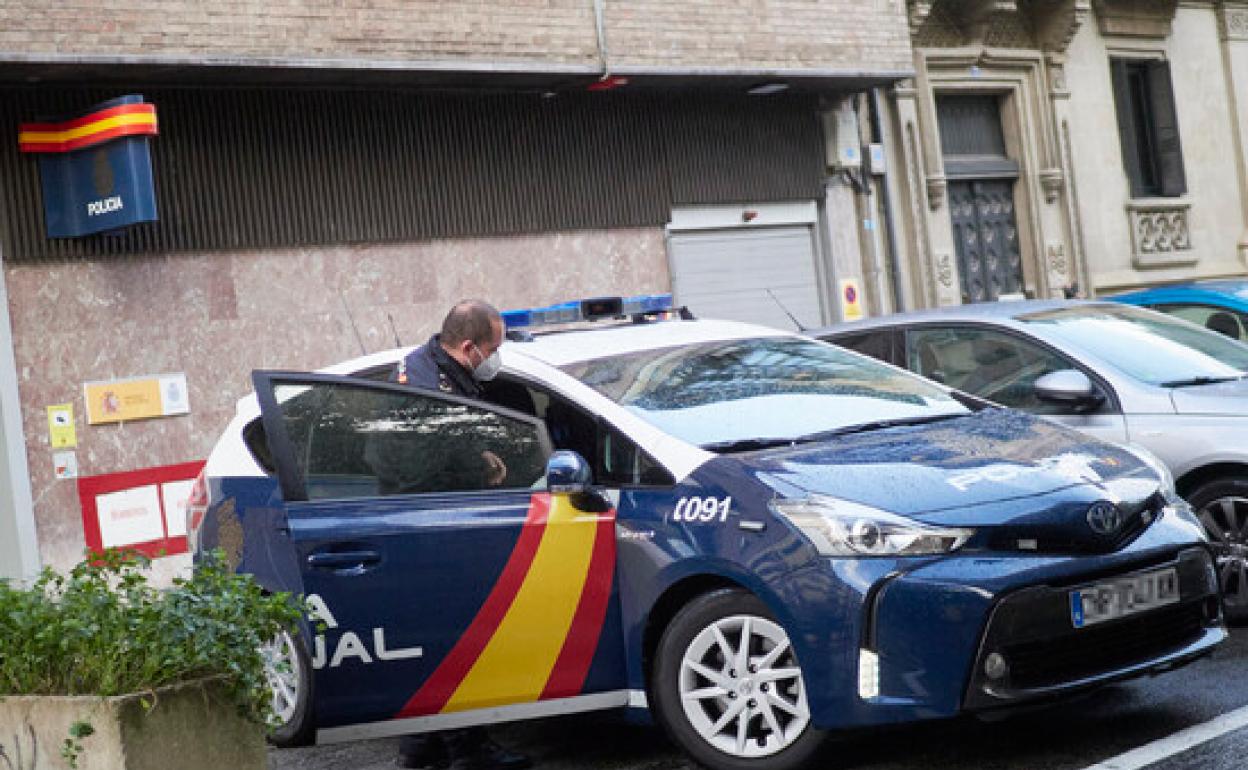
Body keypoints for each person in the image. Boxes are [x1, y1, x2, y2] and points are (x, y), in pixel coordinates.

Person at [391, 299, 530, 770]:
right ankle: (467, 751)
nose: (496, 359)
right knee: (455, 642)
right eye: (494, 348)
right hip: (430, 529)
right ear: (470, 347)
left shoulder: (432, 369)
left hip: (428, 525)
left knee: (435, 645)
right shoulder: (428, 386)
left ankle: (422, 751)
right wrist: (480, 465)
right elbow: (430, 453)